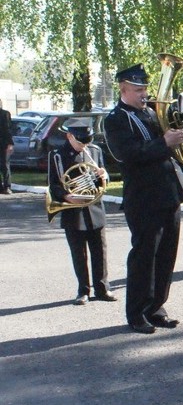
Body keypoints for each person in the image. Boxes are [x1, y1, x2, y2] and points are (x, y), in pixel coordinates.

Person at [104, 63, 183, 334]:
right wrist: (164, 142)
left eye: (145, 88)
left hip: (169, 192)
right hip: (144, 197)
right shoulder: (115, 119)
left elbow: (180, 132)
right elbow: (129, 154)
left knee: (166, 255)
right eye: (138, 89)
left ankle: (156, 307)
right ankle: (136, 313)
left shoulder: (151, 112)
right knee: (144, 257)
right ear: (123, 89)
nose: (144, 93)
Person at [47, 122, 117, 305]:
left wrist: (104, 177)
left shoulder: (94, 150)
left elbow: (102, 178)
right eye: (80, 141)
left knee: (100, 251)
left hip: (94, 207)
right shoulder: (57, 155)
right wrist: (66, 196)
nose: (84, 145)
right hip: (72, 209)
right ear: (69, 136)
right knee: (79, 253)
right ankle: (83, 290)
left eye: (87, 141)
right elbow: (53, 184)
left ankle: (102, 289)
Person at [0, 100, 12, 195]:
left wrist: (10, 144)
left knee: (5, 165)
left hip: (4, 143)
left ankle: (7, 186)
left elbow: (8, 129)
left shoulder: (5, 114)